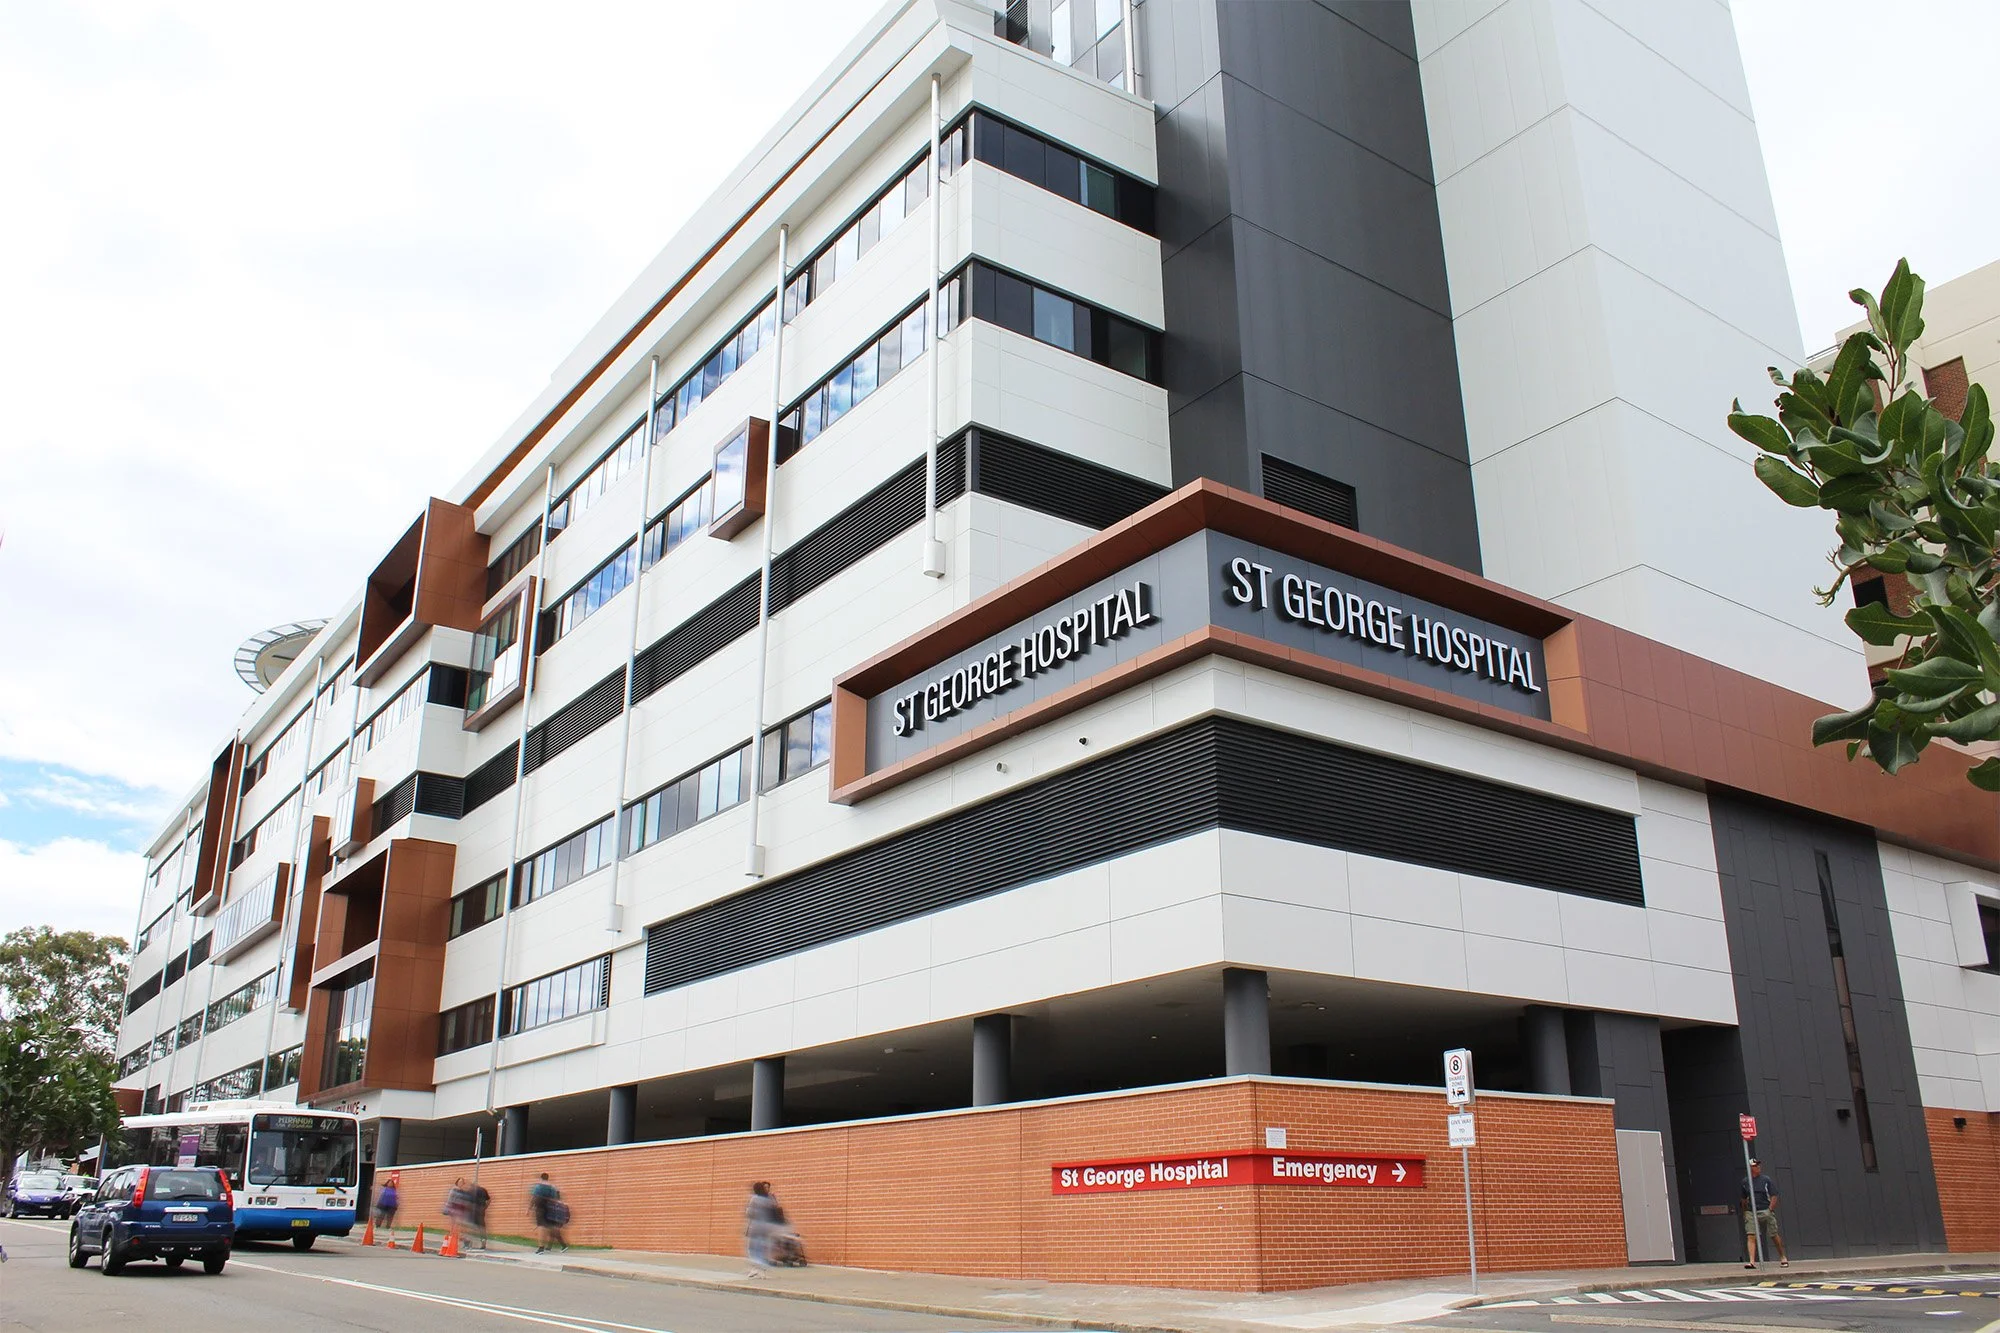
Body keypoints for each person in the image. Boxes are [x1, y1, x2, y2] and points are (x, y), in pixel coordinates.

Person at [1742, 1158, 1789, 1268]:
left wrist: (1770, 1208)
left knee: (1773, 1233)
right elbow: (1743, 1198)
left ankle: (1782, 1256)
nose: (1758, 1167)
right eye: (1755, 1166)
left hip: (1765, 1209)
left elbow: (1774, 1194)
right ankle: (1752, 1261)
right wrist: (1745, 1211)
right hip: (1751, 1211)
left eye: (1758, 1165)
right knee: (1751, 1235)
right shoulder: (1745, 1181)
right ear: (1750, 1168)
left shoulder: (1766, 1180)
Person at [743, 1181, 783, 1276]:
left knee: (752, 1248)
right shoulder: (768, 1200)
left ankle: (758, 1267)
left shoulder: (754, 1199)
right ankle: (761, 1269)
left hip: (756, 1227)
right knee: (762, 1248)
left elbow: (749, 1213)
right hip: (766, 1227)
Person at [530, 1173, 568, 1253]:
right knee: (552, 1229)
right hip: (551, 1209)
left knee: (542, 1227)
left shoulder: (538, 1187)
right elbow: (555, 1199)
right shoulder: (552, 1188)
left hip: (541, 1208)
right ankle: (552, 1247)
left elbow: (534, 1198)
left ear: (541, 1178)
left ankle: (541, 1248)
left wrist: (529, 1208)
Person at [466, 1178, 491, 1250]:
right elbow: (489, 1199)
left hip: (472, 1212)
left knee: (471, 1227)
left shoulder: (470, 1191)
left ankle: (470, 1243)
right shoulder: (483, 1190)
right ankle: (483, 1243)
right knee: (482, 1228)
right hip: (481, 1211)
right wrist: (485, 1207)